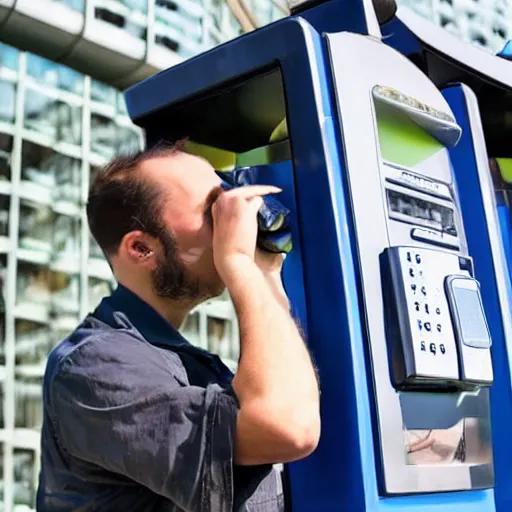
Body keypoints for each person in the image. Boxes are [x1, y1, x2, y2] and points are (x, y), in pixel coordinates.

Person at [36, 141, 321, 511]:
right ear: (140, 249)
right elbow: (289, 427)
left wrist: (264, 274)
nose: (232, 218)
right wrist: (238, 263)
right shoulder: (93, 367)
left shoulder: (185, 361)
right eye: (212, 208)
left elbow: (291, 401)